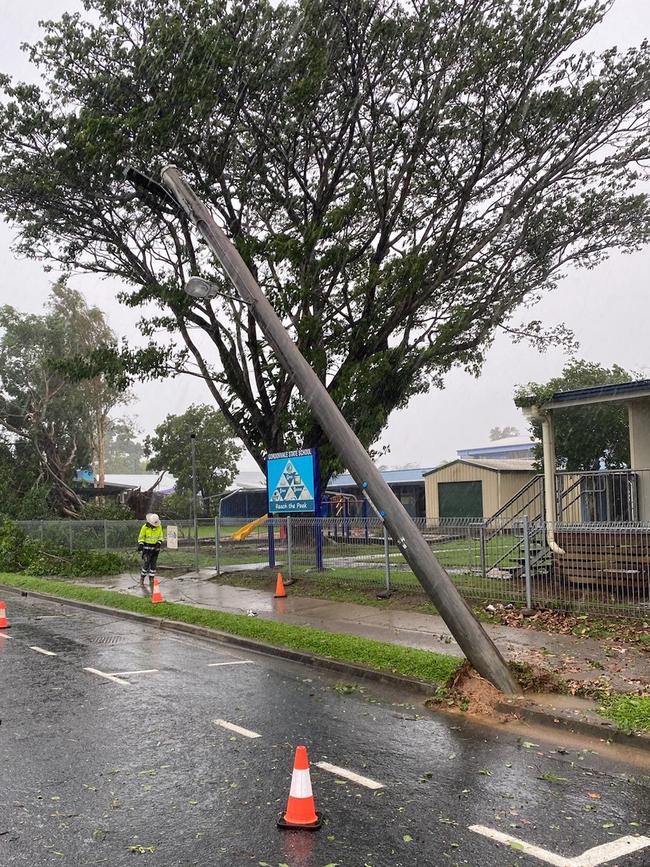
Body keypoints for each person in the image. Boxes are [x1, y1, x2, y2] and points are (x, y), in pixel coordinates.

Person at [138, 513, 163, 586]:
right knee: (146, 564)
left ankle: (151, 579)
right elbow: (141, 537)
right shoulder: (144, 527)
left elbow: (161, 536)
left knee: (153, 565)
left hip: (155, 549)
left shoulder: (159, 527)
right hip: (147, 549)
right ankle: (142, 579)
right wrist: (141, 544)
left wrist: (159, 543)